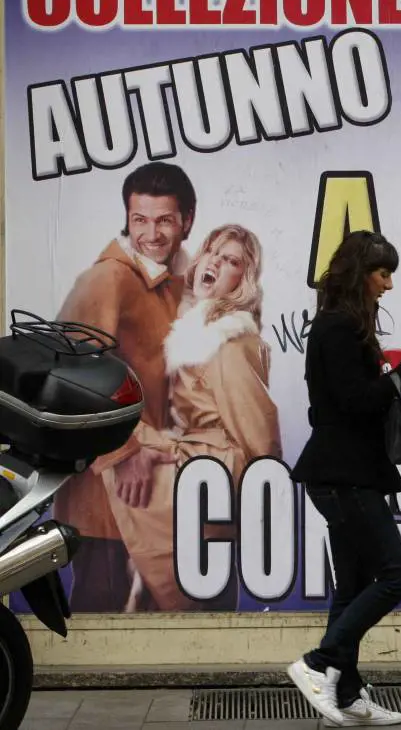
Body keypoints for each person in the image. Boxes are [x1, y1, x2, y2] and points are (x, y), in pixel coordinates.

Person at [288, 230, 401, 727]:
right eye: (382, 273)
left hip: (350, 473)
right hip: (343, 476)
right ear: (360, 274)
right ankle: (318, 664)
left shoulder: (345, 325)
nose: (389, 285)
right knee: (396, 576)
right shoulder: (336, 327)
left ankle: (348, 694)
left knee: (352, 587)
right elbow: (353, 404)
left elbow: (338, 404)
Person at [105, 223, 283, 611]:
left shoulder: (229, 342)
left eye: (231, 260)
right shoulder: (190, 329)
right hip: (195, 461)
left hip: (215, 471)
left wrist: (263, 507)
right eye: (212, 252)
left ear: (242, 281)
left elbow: (259, 434)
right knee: (119, 444)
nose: (215, 262)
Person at [54, 162, 196, 612]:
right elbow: (70, 371)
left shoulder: (173, 284)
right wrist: (124, 451)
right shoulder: (107, 279)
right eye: (140, 220)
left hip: (152, 494)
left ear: (187, 220)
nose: (151, 234)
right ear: (127, 220)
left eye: (164, 220)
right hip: (107, 495)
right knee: (102, 612)